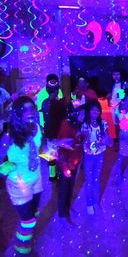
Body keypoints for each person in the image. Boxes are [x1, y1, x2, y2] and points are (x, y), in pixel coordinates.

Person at [0, 96, 64, 255]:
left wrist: (55, 152)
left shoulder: (37, 128)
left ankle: (27, 238)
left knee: (33, 214)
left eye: (32, 108)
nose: (30, 112)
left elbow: (41, 151)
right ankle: (21, 250)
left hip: (36, 180)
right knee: (28, 222)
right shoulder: (8, 136)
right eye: (25, 109)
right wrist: (7, 167)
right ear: (17, 113)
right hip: (18, 184)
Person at [81, 100, 113, 215]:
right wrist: (93, 143)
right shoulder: (85, 125)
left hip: (99, 155)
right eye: (93, 109)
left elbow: (108, 139)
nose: (96, 111)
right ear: (89, 111)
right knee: (89, 180)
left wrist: (107, 141)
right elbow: (85, 140)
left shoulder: (103, 123)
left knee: (96, 179)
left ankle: (95, 202)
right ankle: (89, 203)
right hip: (88, 156)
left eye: (98, 109)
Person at [57, 103, 85, 218]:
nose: (84, 116)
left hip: (74, 161)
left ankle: (67, 207)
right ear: (75, 114)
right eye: (82, 114)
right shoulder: (66, 126)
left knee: (70, 186)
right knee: (64, 188)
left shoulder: (76, 125)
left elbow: (78, 141)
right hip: (66, 164)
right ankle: (62, 213)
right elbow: (61, 149)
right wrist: (64, 166)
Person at [114, 91, 128, 183]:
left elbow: (117, 121)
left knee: (121, 156)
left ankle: (119, 177)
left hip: (122, 134)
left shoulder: (117, 108)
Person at [107, 69, 128, 141]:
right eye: (114, 75)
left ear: (121, 75)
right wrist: (108, 98)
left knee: (122, 123)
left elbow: (127, 95)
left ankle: (123, 139)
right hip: (113, 106)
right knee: (115, 124)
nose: (116, 76)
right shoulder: (111, 84)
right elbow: (110, 96)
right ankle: (117, 139)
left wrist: (121, 103)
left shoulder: (124, 83)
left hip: (121, 106)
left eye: (118, 74)